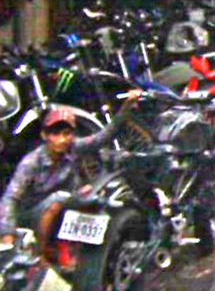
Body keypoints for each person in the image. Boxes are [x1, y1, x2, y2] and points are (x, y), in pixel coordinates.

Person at [0, 91, 141, 261]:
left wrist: (125, 109)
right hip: (32, 215)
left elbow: (102, 137)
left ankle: (83, 253)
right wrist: (7, 234)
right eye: (55, 134)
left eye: (66, 133)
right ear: (45, 136)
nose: (62, 140)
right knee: (58, 199)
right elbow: (10, 198)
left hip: (63, 207)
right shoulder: (31, 163)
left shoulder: (73, 147)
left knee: (95, 196)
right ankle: (40, 256)